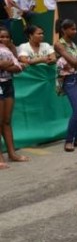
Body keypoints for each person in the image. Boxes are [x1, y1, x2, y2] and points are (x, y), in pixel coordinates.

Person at [54, 19, 77, 152]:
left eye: (75, 29)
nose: (75, 31)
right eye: (72, 29)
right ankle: (69, 140)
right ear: (64, 30)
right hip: (69, 79)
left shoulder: (72, 44)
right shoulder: (59, 45)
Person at [0, 27, 27, 169]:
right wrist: (7, 64)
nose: (3, 39)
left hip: (8, 84)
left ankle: (12, 153)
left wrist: (7, 65)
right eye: (1, 37)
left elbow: (18, 67)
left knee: (6, 121)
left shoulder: (10, 50)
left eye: (6, 37)